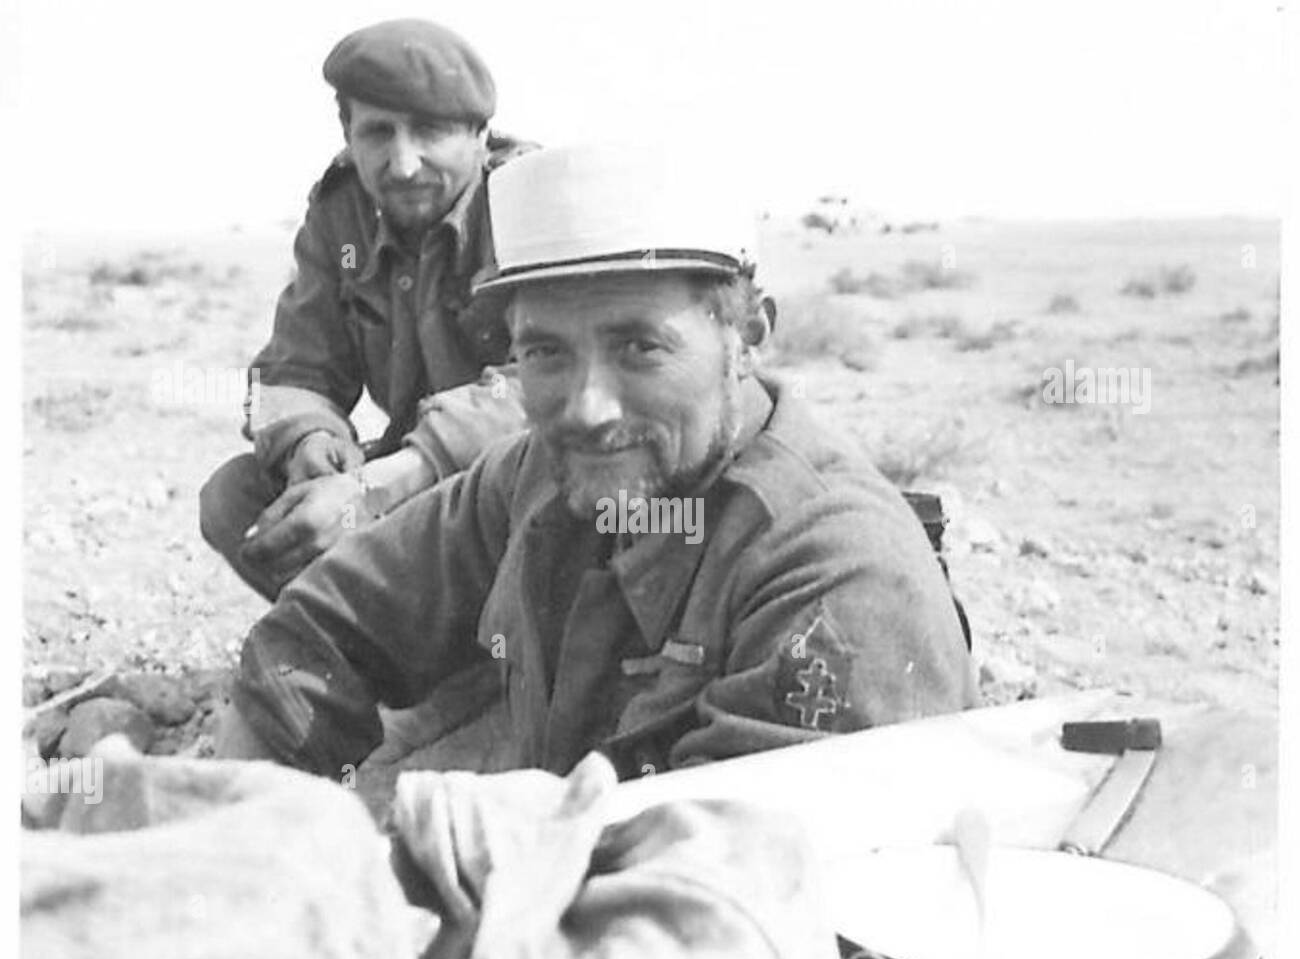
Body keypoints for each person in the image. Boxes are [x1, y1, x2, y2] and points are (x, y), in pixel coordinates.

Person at [217, 145, 979, 780]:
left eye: (638, 347)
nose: (587, 408)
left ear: (747, 335)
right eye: (545, 351)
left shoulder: (835, 572)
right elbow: (319, 631)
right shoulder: (535, 476)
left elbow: (720, 899)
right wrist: (274, 820)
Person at [199, 19, 531, 600]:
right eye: (379, 133)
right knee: (236, 497)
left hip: (511, 479)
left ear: (480, 135)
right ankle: (393, 664)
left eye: (430, 132)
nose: (403, 165)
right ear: (348, 134)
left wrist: (386, 482)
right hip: (404, 483)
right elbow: (291, 371)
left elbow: (546, 387)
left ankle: (492, 667)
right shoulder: (342, 214)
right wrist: (309, 442)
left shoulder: (532, 201)